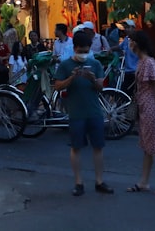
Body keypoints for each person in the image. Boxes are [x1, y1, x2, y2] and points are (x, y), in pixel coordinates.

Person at [54, 30, 113, 196]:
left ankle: (99, 181)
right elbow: (58, 86)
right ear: (75, 48)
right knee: (76, 147)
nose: (84, 54)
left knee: (98, 147)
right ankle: (78, 182)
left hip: (94, 111)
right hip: (76, 113)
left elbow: (101, 87)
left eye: (86, 51)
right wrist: (71, 78)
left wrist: (92, 79)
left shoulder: (95, 65)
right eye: (81, 51)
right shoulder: (66, 65)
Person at [125, 30, 155, 195]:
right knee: (147, 147)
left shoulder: (148, 62)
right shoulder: (141, 62)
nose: (129, 44)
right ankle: (143, 182)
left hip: (150, 107)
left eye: (131, 41)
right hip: (144, 106)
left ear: (137, 43)